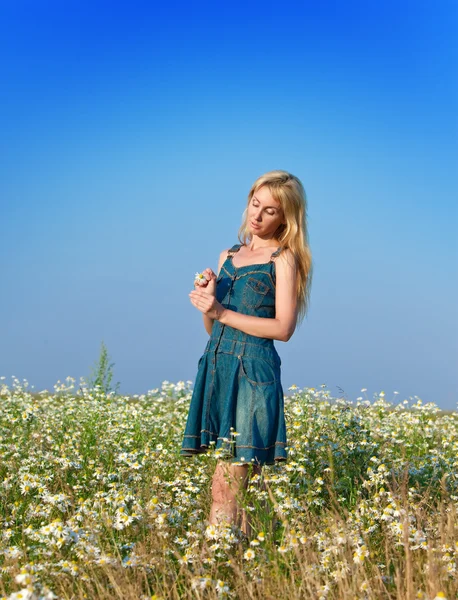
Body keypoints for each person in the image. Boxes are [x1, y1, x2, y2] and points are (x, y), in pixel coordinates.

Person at [181, 170, 313, 538]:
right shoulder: (227, 255)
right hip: (218, 366)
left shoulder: (284, 259)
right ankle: (244, 572)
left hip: (255, 373)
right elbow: (214, 330)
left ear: (286, 218)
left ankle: (214, 568)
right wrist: (209, 304)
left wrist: (222, 311)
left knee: (226, 485)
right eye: (256, 204)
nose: (258, 215)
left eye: (270, 210)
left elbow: (283, 329)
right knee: (241, 488)